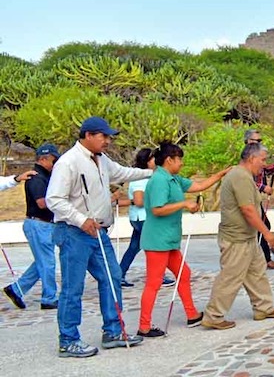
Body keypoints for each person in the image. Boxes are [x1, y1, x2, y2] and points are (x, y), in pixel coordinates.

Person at [46, 116, 151, 358]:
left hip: (99, 232)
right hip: (74, 232)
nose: (107, 141)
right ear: (88, 135)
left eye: (108, 136)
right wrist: (81, 220)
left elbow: (123, 172)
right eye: (103, 136)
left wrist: (151, 173)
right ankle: (68, 340)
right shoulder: (68, 162)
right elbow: (54, 199)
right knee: (73, 287)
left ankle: (113, 331)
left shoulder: (102, 160)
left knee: (112, 277)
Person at [137, 142, 230, 338]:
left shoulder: (174, 178)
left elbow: (198, 186)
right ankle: (144, 326)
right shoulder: (159, 180)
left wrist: (220, 174)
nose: (181, 163)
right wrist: (185, 204)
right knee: (154, 283)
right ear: (169, 160)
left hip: (169, 240)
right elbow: (157, 209)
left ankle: (192, 314)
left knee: (183, 274)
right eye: (179, 159)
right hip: (157, 240)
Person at [202, 143, 274, 330]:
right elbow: (247, 209)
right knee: (230, 277)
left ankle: (263, 307)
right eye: (262, 160)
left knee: (257, 273)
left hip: (246, 237)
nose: (264, 164)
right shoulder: (240, 176)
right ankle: (213, 316)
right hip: (236, 239)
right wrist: (268, 234)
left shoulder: (244, 176)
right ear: (251, 158)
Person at [2, 145, 60, 310]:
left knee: (41, 262)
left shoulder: (45, 177)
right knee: (47, 263)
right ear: (43, 159)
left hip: (44, 224)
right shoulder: (36, 178)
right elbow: (41, 203)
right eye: (53, 160)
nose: (55, 164)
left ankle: (16, 289)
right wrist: (60, 200)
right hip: (38, 224)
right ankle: (49, 297)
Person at [118, 148, 175, 288]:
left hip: (139, 218)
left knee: (134, 247)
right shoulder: (140, 179)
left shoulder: (147, 177)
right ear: (147, 161)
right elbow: (138, 201)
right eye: (153, 158)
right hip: (143, 218)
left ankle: (119, 275)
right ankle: (158, 277)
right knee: (155, 246)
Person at [244, 129, 274, 269]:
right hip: (247, 198)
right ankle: (265, 259)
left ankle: (261, 258)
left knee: (262, 226)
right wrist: (263, 187)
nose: (259, 143)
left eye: (260, 141)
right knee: (261, 227)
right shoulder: (247, 157)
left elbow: (265, 169)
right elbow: (244, 177)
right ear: (248, 141)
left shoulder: (257, 156)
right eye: (257, 140)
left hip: (255, 198)